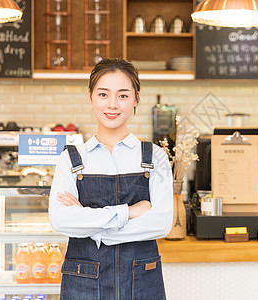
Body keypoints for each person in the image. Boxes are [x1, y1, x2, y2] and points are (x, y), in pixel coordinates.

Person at [49, 58, 173, 299]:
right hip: (82, 280)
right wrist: (130, 212)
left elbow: (160, 223)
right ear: (91, 96)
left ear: (136, 98)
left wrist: (93, 228)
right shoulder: (71, 159)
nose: (113, 104)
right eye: (103, 94)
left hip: (141, 281)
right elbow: (61, 220)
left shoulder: (154, 157)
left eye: (123, 96)